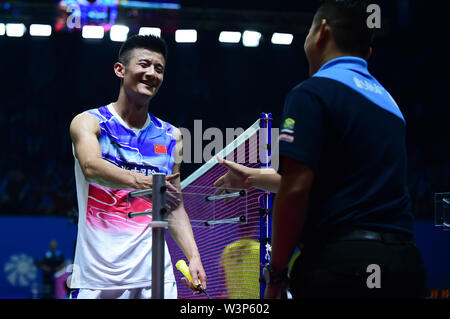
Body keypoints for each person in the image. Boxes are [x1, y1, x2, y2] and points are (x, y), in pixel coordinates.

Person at [214, 0, 427, 298]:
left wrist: (276, 272)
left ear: (322, 32)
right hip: (404, 267)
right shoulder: (392, 107)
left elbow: (297, 189)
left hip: (342, 267)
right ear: (367, 52)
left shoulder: (312, 92)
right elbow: (338, 184)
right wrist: (253, 177)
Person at [69, 34, 206, 299]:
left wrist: (194, 257)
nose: (152, 73)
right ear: (120, 69)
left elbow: (174, 206)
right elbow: (90, 166)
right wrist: (144, 181)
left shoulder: (171, 137)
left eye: (159, 69)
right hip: (99, 277)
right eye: (144, 64)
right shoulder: (90, 123)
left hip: (155, 276)